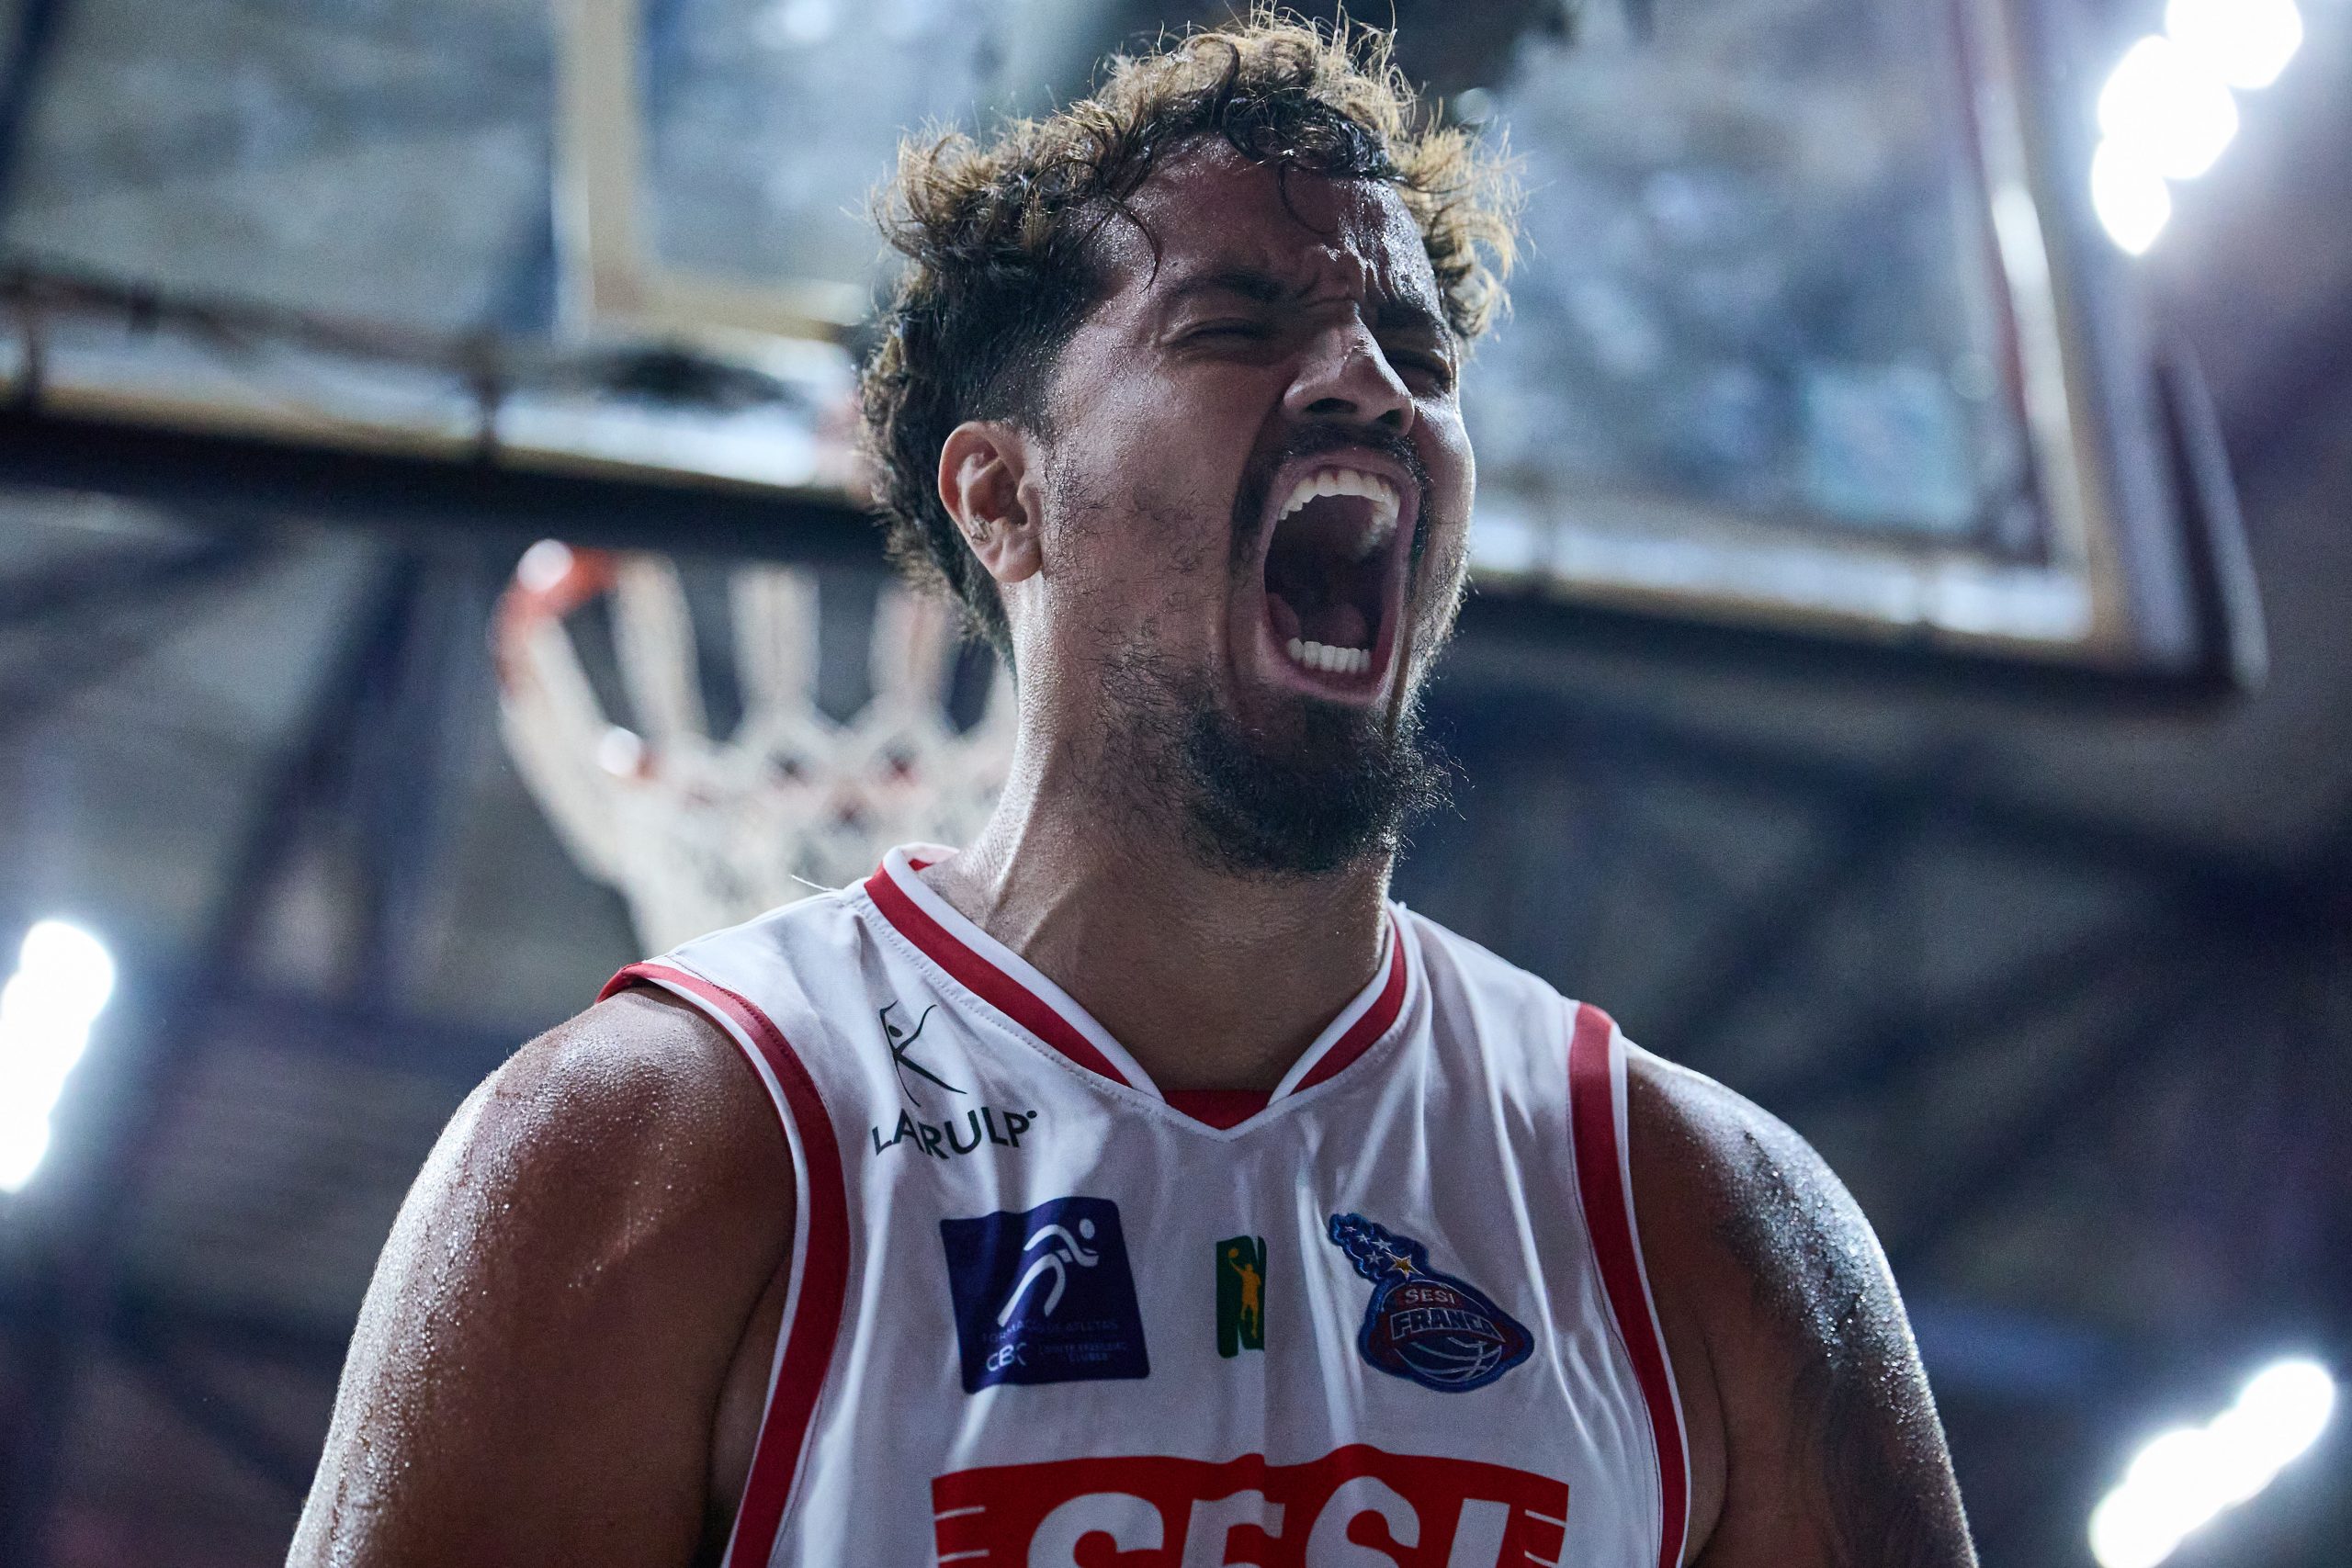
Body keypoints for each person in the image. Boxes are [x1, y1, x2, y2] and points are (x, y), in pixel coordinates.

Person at [291, 17, 1977, 1568]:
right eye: (1235, 326)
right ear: (1004, 499)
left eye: (1415, 349)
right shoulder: (650, 1149)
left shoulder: (1705, 1219)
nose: (1370, 382)